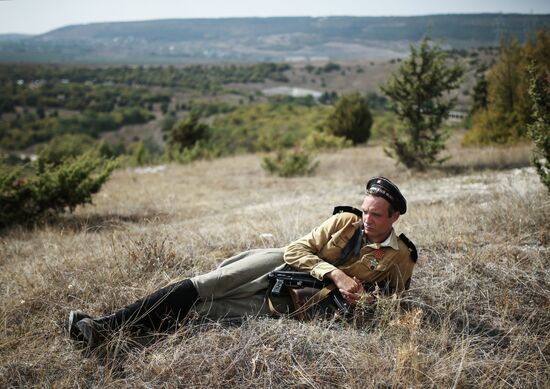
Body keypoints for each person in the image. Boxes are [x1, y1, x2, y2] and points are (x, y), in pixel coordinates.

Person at [68, 176, 417, 349]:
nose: (366, 219)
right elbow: (296, 250)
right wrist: (336, 274)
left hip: (298, 301)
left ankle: (115, 337)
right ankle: (105, 326)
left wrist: (364, 300)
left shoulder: (400, 256)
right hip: (276, 264)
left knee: (206, 310)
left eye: (376, 215)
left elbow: (393, 301)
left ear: (395, 217)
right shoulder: (345, 221)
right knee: (203, 286)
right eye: (366, 210)